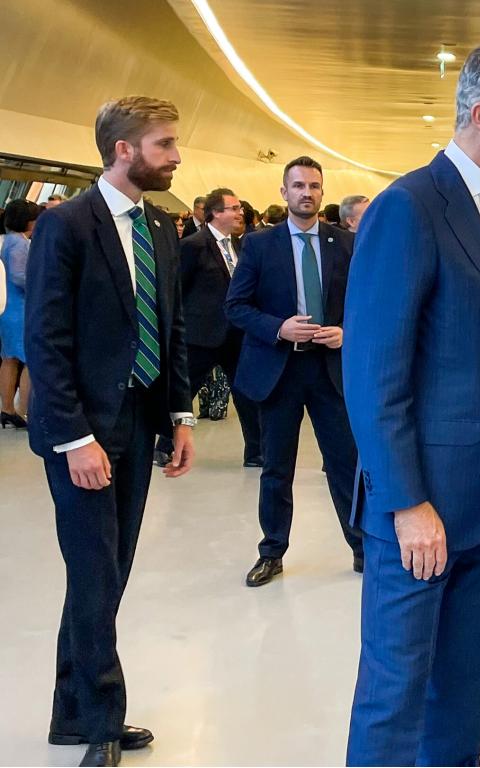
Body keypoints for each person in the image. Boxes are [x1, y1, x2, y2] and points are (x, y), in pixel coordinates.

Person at [343, 42, 480, 766]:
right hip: (421, 507)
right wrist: (406, 503)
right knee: (396, 692)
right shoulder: (409, 207)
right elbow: (374, 374)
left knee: (466, 688)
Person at [25, 96, 195, 767]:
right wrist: (74, 439)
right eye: (164, 144)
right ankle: (100, 717)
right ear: (123, 150)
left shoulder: (158, 228)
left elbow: (172, 327)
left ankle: (73, 712)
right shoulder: (67, 226)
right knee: (95, 571)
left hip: (139, 417)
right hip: (84, 429)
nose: (176, 156)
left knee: (110, 571)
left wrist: (179, 416)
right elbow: (47, 339)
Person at [225, 156, 364, 586]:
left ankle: (362, 547)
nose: (307, 193)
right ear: (284, 193)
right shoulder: (259, 246)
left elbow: (368, 304)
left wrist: (346, 331)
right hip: (279, 371)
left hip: (330, 370)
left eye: (314, 186)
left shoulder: (345, 244)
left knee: (345, 463)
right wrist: (277, 327)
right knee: (276, 467)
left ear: (323, 193)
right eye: (299, 185)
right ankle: (272, 551)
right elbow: (236, 307)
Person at [176, 187, 262, 465]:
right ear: (216, 212)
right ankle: (166, 445)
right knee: (183, 392)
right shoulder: (193, 245)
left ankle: (256, 451)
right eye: (234, 208)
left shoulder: (238, 245)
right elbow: (177, 289)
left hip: (235, 335)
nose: (240, 213)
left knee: (246, 393)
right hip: (201, 335)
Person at [1, 199, 39, 429]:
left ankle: (6, 408)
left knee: (8, 359)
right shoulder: (20, 244)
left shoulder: (5, 241)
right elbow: (20, 276)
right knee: (30, 361)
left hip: (7, 308)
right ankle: (23, 410)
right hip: (22, 309)